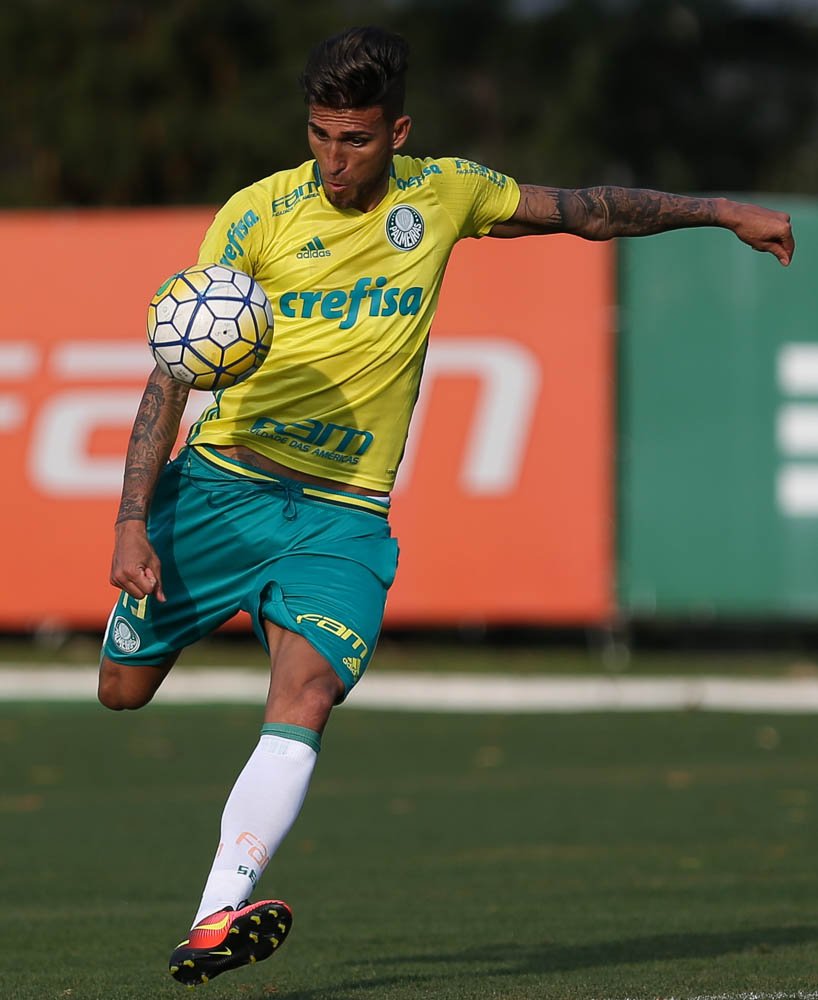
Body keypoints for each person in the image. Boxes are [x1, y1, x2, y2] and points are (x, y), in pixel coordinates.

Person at [97, 25, 795, 989]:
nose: (335, 161)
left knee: (305, 694)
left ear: (399, 133)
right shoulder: (255, 217)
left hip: (343, 513)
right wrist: (132, 520)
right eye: (319, 135)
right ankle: (159, 633)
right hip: (221, 487)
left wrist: (721, 210)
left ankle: (218, 910)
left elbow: (587, 211)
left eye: (356, 140)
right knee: (121, 693)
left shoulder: (445, 191)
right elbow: (176, 371)